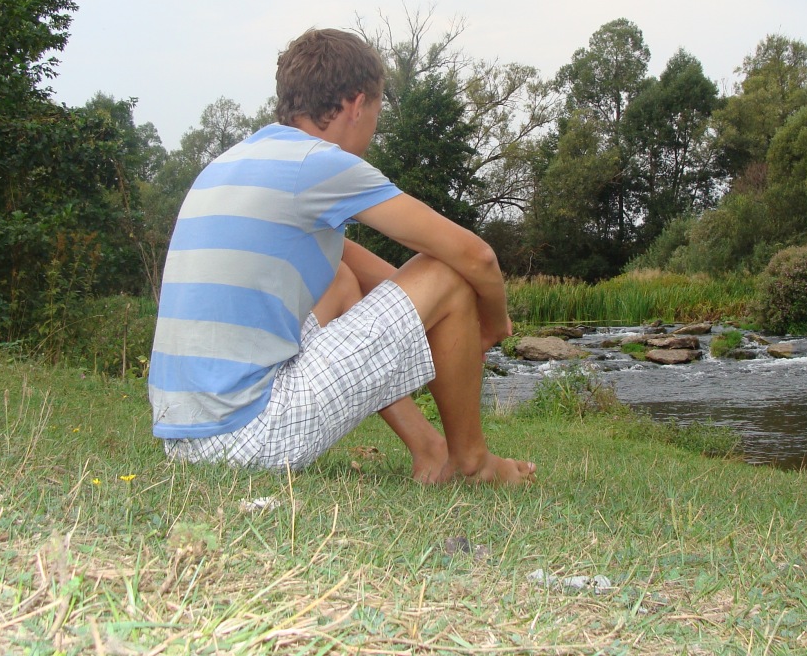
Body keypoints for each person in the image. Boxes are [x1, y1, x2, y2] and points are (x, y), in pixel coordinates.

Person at [147, 27, 535, 485]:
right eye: (376, 111)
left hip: (186, 439)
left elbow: (378, 279)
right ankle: (473, 463)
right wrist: (492, 323)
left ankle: (430, 450)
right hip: (248, 436)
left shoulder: (233, 162)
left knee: (341, 278)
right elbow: (477, 257)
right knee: (447, 271)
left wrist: (444, 317)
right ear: (356, 104)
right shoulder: (318, 162)